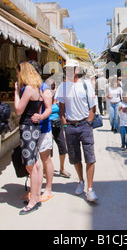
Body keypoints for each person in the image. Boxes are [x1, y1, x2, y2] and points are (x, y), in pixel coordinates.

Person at [55, 59, 98, 202]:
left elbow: (93, 107)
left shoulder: (86, 85)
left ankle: (90, 189)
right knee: (75, 157)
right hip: (70, 127)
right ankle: (81, 181)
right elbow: (61, 108)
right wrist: (65, 124)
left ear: (76, 70)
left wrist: (89, 122)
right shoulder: (62, 87)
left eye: (70, 69)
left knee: (89, 157)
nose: (68, 71)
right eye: (66, 69)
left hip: (84, 125)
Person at [14, 62, 44, 215]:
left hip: (27, 129)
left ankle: (33, 201)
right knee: (36, 163)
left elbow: (18, 110)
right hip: (34, 129)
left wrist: (16, 92)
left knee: (30, 166)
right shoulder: (37, 89)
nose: (17, 76)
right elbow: (38, 110)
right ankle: (37, 197)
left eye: (18, 73)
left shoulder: (28, 89)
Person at [26, 60, 54, 203]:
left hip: (43, 129)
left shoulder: (45, 88)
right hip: (31, 130)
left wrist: (41, 117)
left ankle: (48, 188)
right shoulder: (29, 88)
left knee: (45, 159)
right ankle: (35, 190)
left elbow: (49, 108)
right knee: (34, 161)